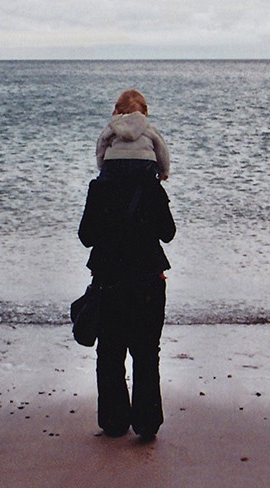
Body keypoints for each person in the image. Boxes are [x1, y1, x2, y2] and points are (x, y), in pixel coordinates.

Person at [78, 122, 176, 441]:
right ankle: (147, 424)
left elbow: (86, 236)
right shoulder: (152, 187)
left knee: (110, 351)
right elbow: (168, 233)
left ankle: (114, 421)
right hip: (148, 279)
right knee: (147, 352)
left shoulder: (100, 186)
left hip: (108, 280)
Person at [96, 89, 171, 182]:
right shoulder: (149, 129)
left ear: (117, 109)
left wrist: (101, 166)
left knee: (110, 190)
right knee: (146, 189)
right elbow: (161, 150)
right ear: (144, 111)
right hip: (144, 162)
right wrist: (164, 171)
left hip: (114, 161)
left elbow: (101, 145)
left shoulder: (113, 127)